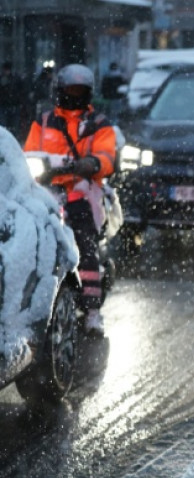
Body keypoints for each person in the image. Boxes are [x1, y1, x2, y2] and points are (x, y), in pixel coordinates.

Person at [23, 63, 117, 336]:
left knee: (86, 246)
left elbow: (107, 157)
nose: (74, 95)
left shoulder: (98, 124)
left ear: (88, 93)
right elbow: (28, 152)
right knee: (27, 242)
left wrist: (91, 163)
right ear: (59, 91)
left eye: (80, 91)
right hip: (45, 194)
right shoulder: (43, 122)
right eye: (70, 90)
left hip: (80, 192)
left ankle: (92, 312)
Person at [0, 61, 26, 137]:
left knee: (13, 126)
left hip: (13, 105)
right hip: (5, 105)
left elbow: (22, 90)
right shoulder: (15, 78)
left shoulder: (16, 79)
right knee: (6, 125)